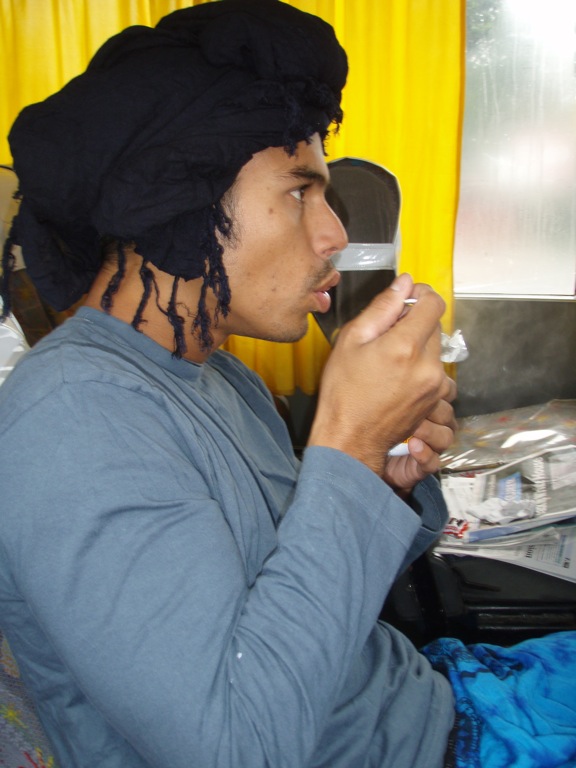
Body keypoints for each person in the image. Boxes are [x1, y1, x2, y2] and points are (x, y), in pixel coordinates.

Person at [0, 2, 575, 768]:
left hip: (434, 699)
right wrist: (347, 450)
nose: (334, 233)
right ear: (181, 195)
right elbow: (240, 746)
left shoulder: (218, 375)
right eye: (301, 191)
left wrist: (382, 479)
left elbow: (305, 605)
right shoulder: (73, 419)